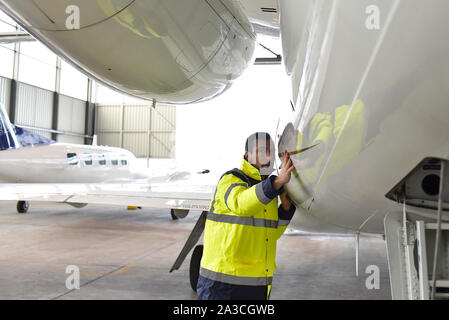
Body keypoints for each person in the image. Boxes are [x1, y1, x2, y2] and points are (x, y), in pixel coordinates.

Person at [197, 132, 296, 300]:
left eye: (271, 151)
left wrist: (285, 209)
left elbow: (269, 235)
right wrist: (277, 183)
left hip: (256, 284)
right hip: (221, 284)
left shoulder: (267, 190)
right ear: (247, 155)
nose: (268, 155)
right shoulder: (230, 179)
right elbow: (241, 204)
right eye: (262, 150)